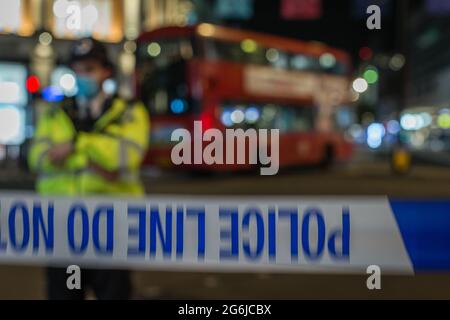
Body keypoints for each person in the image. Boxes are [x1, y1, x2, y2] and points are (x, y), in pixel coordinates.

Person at [28, 38, 150, 300]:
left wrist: (74, 147)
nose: (83, 76)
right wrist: (89, 158)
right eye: (78, 69)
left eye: (90, 69)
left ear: (106, 71)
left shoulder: (129, 111)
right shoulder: (55, 112)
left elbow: (126, 157)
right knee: (65, 294)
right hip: (63, 230)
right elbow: (36, 157)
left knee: (113, 294)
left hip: (112, 229)